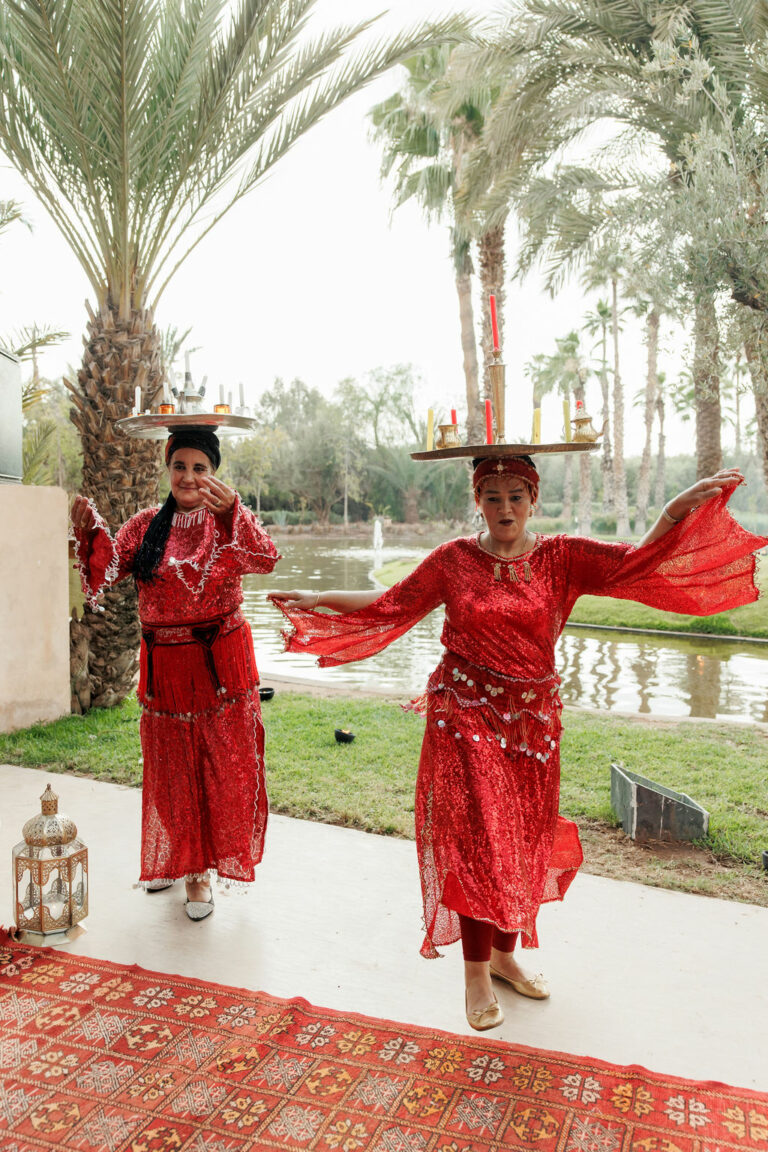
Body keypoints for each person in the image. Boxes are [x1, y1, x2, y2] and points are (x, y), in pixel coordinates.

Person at [271, 456, 765, 1030]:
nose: (504, 508)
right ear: (477, 500)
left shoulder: (563, 558)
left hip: (532, 727)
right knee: (480, 840)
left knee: (524, 839)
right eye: (492, 496)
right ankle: (475, 974)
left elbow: (634, 566)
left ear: (533, 499)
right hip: (464, 716)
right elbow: (393, 604)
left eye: (515, 496)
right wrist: (317, 594)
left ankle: (505, 956)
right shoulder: (454, 560)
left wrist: (671, 511)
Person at [71, 427, 280, 920]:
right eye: (180, 466)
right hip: (165, 667)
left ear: (214, 473)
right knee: (171, 768)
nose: (188, 476)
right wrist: (88, 533)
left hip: (221, 668)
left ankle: (203, 869)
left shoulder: (225, 522)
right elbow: (107, 570)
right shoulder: (146, 524)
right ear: (168, 469)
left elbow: (265, 559)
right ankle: (187, 866)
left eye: (200, 468)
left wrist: (234, 514)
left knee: (222, 765)